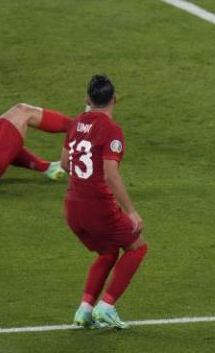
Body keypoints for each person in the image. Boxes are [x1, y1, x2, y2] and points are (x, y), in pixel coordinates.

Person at [62, 74, 147, 330]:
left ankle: (85, 310)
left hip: (72, 207)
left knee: (108, 252)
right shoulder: (112, 129)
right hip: (97, 207)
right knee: (137, 247)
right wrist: (131, 212)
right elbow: (111, 174)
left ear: (87, 99)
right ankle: (106, 306)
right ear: (115, 98)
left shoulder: (76, 123)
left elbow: (66, 164)